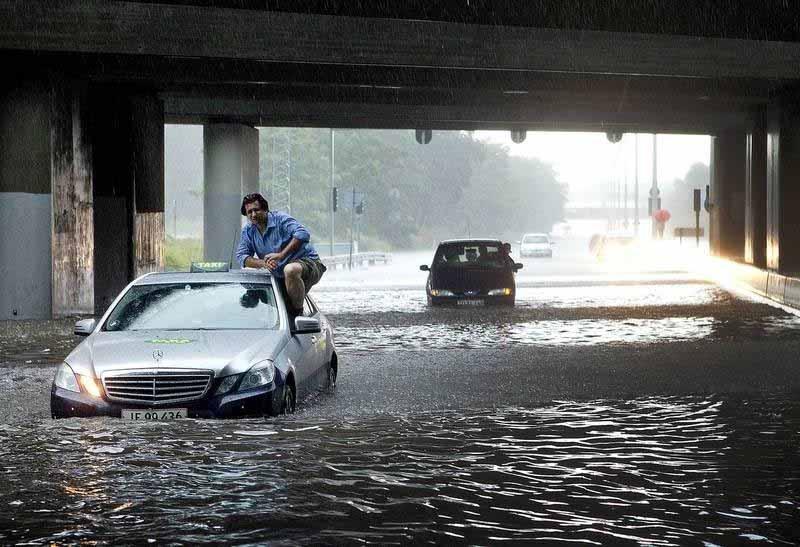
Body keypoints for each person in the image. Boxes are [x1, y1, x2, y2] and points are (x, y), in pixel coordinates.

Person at [236, 193, 326, 316]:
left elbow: (303, 234)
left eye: (256, 210)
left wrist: (281, 255)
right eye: (249, 212)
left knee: (290, 270)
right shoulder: (248, 231)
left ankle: (298, 314)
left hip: (308, 263)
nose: (253, 215)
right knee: (248, 282)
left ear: (265, 209)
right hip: (279, 275)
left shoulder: (281, 219)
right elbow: (242, 256)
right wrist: (263, 263)